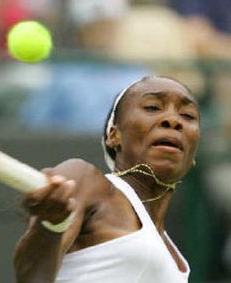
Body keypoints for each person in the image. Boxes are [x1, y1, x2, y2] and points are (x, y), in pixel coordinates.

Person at [14, 75, 200, 282]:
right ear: (113, 135)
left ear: (193, 155)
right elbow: (31, 278)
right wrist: (49, 226)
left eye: (187, 115)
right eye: (153, 107)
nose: (173, 120)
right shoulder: (83, 179)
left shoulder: (175, 259)